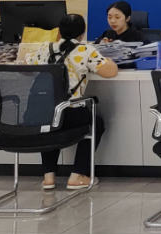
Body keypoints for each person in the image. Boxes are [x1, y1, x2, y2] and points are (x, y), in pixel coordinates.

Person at [26, 14, 118, 191]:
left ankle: (48, 177)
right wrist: (110, 61)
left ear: (59, 32)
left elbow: (24, 66)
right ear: (82, 34)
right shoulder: (85, 50)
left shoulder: (46, 47)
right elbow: (110, 72)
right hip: (68, 113)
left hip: (38, 112)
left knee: (49, 122)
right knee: (96, 122)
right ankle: (77, 175)